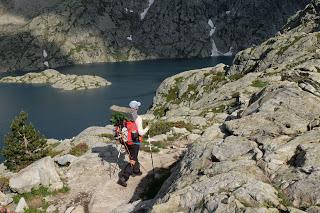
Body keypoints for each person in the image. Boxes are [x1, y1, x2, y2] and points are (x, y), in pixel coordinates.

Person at [117, 100, 150, 187]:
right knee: (133, 159)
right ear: (136, 108)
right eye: (137, 107)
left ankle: (136, 171)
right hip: (135, 141)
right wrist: (147, 128)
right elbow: (141, 133)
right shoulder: (138, 118)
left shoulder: (124, 116)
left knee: (133, 155)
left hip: (125, 141)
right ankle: (123, 178)